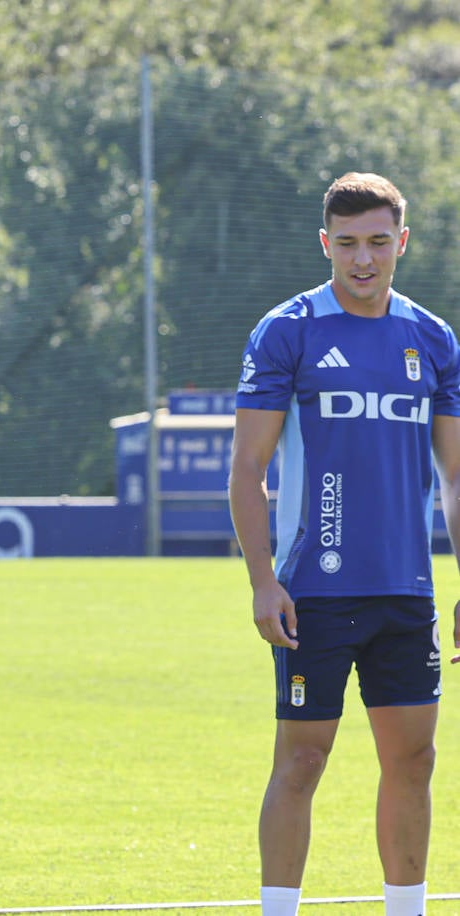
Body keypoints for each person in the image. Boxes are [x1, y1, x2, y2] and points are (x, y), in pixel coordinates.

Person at [228, 172, 460, 916]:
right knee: (301, 761)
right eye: (349, 244)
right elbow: (248, 470)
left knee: (414, 760)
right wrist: (264, 582)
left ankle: (407, 910)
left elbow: (455, 476)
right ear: (327, 244)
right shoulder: (287, 330)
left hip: (405, 593)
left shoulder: (433, 339)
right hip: (314, 594)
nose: (364, 259)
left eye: (379, 242)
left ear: (402, 242)